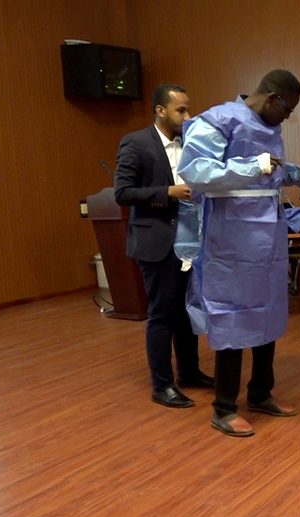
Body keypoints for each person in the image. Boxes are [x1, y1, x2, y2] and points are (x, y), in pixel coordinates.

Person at [176, 70, 300, 437]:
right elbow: (197, 172)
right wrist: (253, 165)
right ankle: (223, 408)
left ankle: (260, 393)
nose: (287, 118)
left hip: (267, 239)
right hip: (232, 241)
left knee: (267, 313)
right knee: (234, 317)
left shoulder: (269, 127)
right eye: (287, 110)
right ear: (271, 98)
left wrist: (299, 174)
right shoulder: (218, 120)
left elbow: (271, 171)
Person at [114, 83, 212, 409]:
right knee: (162, 314)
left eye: (188, 108)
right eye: (180, 110)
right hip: (157, 242)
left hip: (190, 243)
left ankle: (189, 371)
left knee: (186, 311)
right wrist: (167, 193)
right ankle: (162, 385)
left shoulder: (192, 144)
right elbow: (123, 193)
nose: (188, 115)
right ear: (160, 111)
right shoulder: (136, 143)